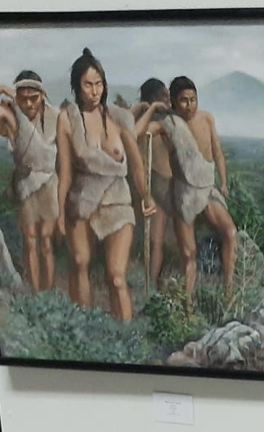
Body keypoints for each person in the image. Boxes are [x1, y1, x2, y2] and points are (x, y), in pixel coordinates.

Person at [56, 49, 155, 321]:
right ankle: (83, 327)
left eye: (98, 84)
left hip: (117, 201)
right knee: (79, 263)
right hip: (82, 199)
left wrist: (146, 197)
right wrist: (60, 212)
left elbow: (137, 166)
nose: (94, 91)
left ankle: (126, 335)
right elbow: (65, 173)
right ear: (77, 86)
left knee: (117, 276)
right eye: (88, 84)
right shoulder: (67, 119)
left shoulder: (118, 117)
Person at [164, 75, 237, 300]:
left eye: (193, 99)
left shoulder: (206, 118)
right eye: (184, 100)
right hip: (185, 192)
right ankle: (185, 305)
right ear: (174, 102)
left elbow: (217, 152)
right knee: (189, 253)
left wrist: (223, 182)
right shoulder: (170, 124)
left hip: (207, 188)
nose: (189, 105)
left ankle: (228, 292)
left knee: (230, 232)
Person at [0, 71, 60, 293]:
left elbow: (48, 154)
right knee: (30, 240)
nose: (28, 104)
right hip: (25, 184)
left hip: (50, 183)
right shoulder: (12, 115)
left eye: (33, 98)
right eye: (22, 98)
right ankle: (35, 294)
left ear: (42, 95)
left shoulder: (54, 117)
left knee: (46, 240)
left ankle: (49, 293)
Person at [130, 78, 175, 285]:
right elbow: (134, 132)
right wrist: (148, 108)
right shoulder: (141, 118)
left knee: (157, 240)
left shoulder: (169, 121)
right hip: (145, 184)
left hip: (166, 184)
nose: (167, 101)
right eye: (162, 97)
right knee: (147, 238)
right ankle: (145, 281)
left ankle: (153, 281)